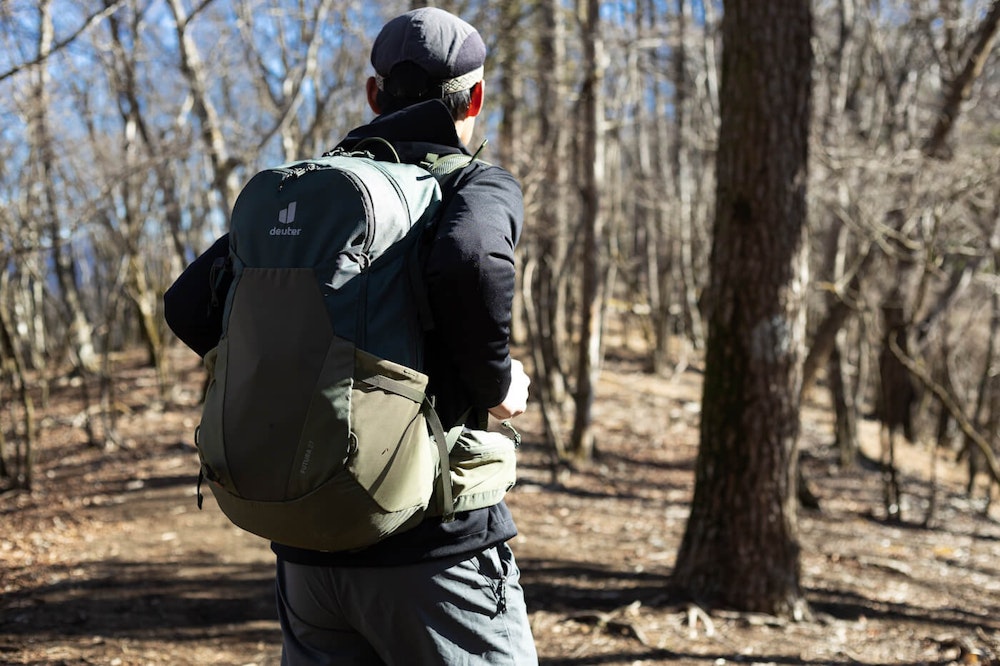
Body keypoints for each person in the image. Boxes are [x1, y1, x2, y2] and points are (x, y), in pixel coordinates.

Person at [163, 7, 537, 665]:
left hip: (309, 556)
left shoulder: (313, 194)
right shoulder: (472, 183)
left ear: (373, 94)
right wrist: (498, 383)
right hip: (435, 550)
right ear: (475, 97)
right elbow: (472, 259)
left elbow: (188, 304)